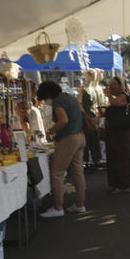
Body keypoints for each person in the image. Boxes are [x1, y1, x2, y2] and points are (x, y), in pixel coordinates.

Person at [37, 81, 86, 217]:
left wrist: (51, 131)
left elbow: (63, 120)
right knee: (78, 172)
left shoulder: (58, 102)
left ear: (47, 94)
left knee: (57, 172)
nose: (45, 101)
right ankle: (80, 204)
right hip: (80, 136)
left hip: (69, 139)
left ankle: (58, 207)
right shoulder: (70, 97)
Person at [104, 76, 130, 193]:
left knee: (120, 158)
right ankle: (117, 183)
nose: (110, 87)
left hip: (120, 133)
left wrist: (108, 95)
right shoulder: (118, 96)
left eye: (113, 85)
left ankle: (124, 185)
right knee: (114, 158)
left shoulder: (123, 96)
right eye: (109, 85)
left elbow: (115, 103)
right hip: (115, 132)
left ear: (119, 86)